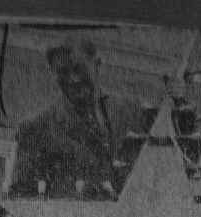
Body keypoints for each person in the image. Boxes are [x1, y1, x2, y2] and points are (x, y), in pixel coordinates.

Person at [11, 37, 147, 199]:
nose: (73, 79)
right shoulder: (35, 127)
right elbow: (22, 198)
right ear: (52, 74)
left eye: (79, 69)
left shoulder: (131, 112)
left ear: (97, 65)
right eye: (63, 72)